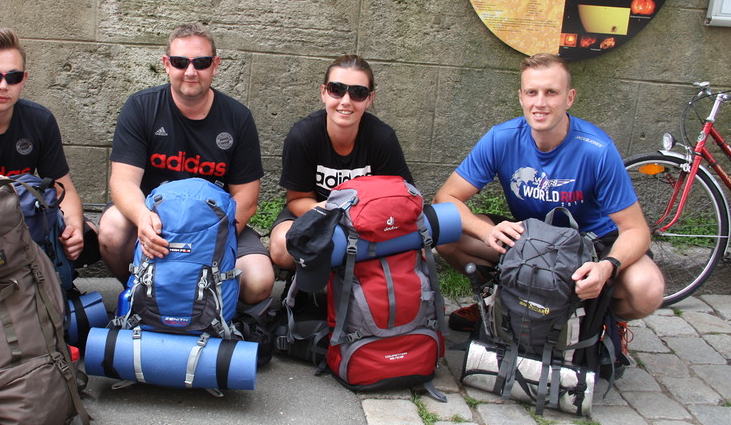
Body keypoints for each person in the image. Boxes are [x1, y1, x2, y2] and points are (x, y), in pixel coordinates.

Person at [434, 53, 664, 329]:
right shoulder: (502, 138)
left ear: (569, 98)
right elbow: (445, 198)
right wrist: (486, 231)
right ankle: (498, 302)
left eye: (551, 92)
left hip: (590, 248)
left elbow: (637, 230)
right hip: (529, 243)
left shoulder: (597, 150)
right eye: (532, 92)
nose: (540, 103)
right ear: (521, 97)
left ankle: (601, 324)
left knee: (647, 290)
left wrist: (607, 267)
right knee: (446, 234)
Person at [98, 22, 275, 306]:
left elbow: (247, 197)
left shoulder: (238, 117)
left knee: (259, 281)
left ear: (215, 65)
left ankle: (216, 308)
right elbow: (123, 181)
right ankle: (140, 296)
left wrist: (210, 236)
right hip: (155, 221)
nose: (191, 72)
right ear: (166, 64)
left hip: (214, 224)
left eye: (201, 63)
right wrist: (143, 218)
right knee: (111, 229)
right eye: (181, 62)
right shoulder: (141, 107)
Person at [0, 27, 90, 264]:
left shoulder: (40, 121)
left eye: (13, 77)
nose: (3, 86)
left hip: (23, 227)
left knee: (88, 236)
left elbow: (63, 188)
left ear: (23, 79)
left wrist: (74, 226)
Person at [268, 54, 414, 270]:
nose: (346, 101)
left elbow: (403, 199)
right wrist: (336, 214)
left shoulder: (382, 139)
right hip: (316, 212)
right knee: (282, 246)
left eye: (358, 93)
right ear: (323, 92)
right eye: (336, 89)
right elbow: (297, 200)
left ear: (369, 99)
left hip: (369, 220)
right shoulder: (303, 136)